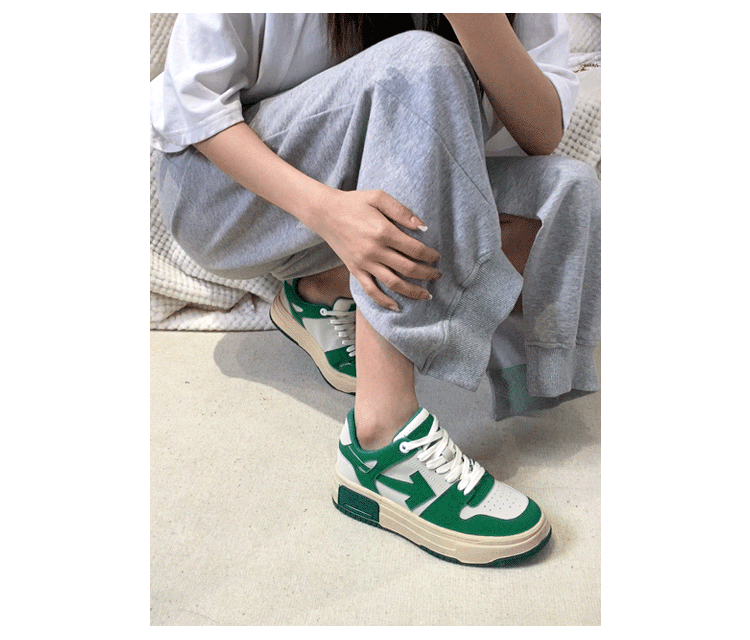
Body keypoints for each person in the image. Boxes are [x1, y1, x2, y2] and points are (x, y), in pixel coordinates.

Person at [151, 13, 600, 566]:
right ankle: (380, 441)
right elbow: (193, 108)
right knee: (422, 63)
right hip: (224, 195)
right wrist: (327, 211)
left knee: (559, 195)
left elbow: (542, 132)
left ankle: (321, 290)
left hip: (355, 195)